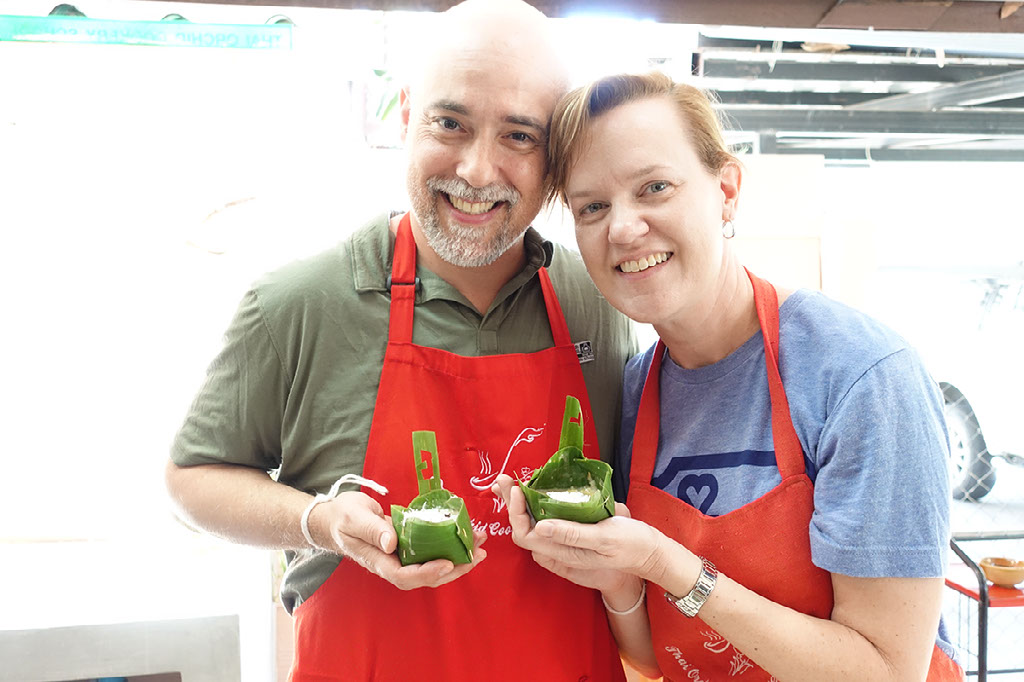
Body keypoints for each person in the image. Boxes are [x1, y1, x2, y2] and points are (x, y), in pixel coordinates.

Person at [165, 2, 636, 680]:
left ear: (554, 158)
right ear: (407, 114)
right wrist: (320, 522)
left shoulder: (597, 301)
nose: (477, 171)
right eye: (451, 123)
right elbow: (191, 478)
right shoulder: (300, 304)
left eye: (518, 136)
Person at [493, 71, 964, 681]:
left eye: (655, 187)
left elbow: (887, 672)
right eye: (593, 207)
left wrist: (667, 564)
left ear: (727, 191)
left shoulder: (861, 378)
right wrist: (616, 578)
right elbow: (656, 654)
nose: (623, 228)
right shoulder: (635, 391)